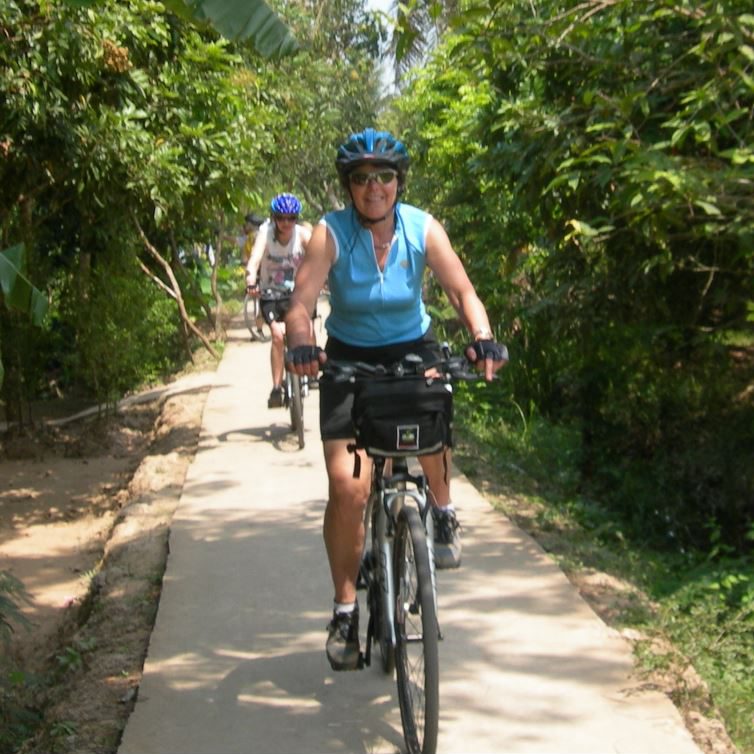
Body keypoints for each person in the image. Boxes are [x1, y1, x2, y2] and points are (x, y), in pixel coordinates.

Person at [284, 128, 508, 671]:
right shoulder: (328, 233)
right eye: (361, 179)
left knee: (433, 417)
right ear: (349, 187)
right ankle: (343, 610)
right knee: (348, 489)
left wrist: (481, 336)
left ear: (398, 182)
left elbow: (461, 290)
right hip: (348, 359)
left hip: (413, 349)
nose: (374, 187)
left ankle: (444, 509)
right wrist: (302, 344)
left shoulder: (422, 227)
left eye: (384, 177)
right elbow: (301, 303)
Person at [245, 194, 312, 408]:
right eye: (281, 218)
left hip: (296, 295)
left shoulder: (303, 235)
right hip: (270, 295)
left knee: (305, 328)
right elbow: (254, 260)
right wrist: (251, 279)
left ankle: (307, 372)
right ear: (274, 218)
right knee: (277, 336)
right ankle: (276, 387)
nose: (286, 223)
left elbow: (320, 257)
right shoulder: (265, 234)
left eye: (291, 218)